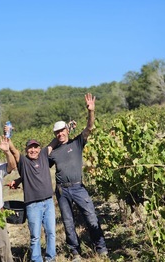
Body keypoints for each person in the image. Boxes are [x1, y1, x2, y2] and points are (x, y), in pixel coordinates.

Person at [48, 93, 108, 260]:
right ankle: (75, 252)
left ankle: (101, 247)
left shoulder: (77, 143)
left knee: (90, 216)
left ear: (68, 130)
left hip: (78, 187)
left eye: (62, 131)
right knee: (68, 222)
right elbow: (43, 156)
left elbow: (89, 128)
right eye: (57, 133)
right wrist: (53, 142)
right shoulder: (54, 152)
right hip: (62, 191)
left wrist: (91, 111)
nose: (60, 134)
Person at [7, 137, 58, 262]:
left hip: (48, 202)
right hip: (33, 205)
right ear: (26, 149)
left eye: (35, 147)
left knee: (51, 233)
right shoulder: (23, 162)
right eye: (30, 147)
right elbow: (13, 150)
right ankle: (37, 259)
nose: (33, 150)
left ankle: (51, 258)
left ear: (40, 149)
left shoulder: (44, 155)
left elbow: (54, 141)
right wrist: (7, 136)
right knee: (35, 236)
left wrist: (68, 127)